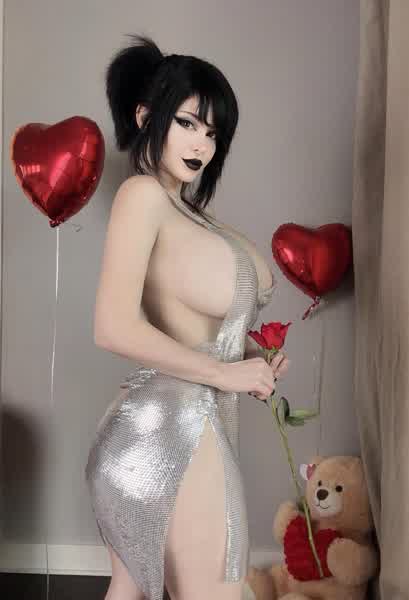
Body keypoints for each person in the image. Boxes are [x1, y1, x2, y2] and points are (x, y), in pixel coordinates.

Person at [85, 34, 290, 600]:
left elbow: (197, 327)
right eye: (187, 123)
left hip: (184, 424)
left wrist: (252, 359)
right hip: (164, 431)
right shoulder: (142, 196)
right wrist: (225, 373)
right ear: (145, 117)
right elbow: (112, 325)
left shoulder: (187, 209)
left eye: (213, 132)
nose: (202, 143)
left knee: (130, 590)